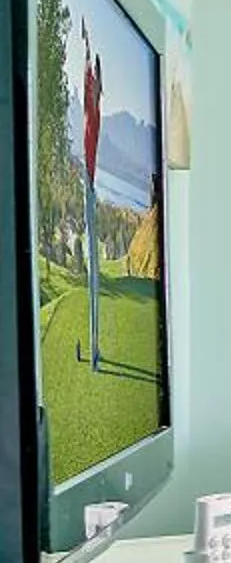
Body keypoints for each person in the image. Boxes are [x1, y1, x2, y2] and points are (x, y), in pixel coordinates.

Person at [79, 23, 101, 371]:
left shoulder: (93, 102)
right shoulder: (91, 100)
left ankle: (96, 349)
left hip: (91, 177)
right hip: (89, 175)